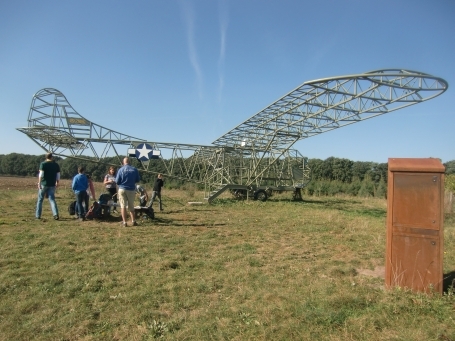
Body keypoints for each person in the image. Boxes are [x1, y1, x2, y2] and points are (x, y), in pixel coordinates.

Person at [115, 157, 140, 227]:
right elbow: (137, 179)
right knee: (131, 206)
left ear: (123, 162)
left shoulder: (120, 170)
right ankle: (133, 221)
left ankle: (124, 222)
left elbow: (117, 181)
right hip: (131, 189)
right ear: (130, 162)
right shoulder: (134, 169)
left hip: (122, 189)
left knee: (123, 206)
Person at [35, 152, 61, 220]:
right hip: (52, 184)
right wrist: (57, 182)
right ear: (52, 157)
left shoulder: (43, 164)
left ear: (46, 157)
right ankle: (55, 214)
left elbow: (41, 174)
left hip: (44, 184)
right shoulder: (56, 165)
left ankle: (38, 215)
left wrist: (39, 183)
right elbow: (58, 175)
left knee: (40, 199)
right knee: (52, 199)